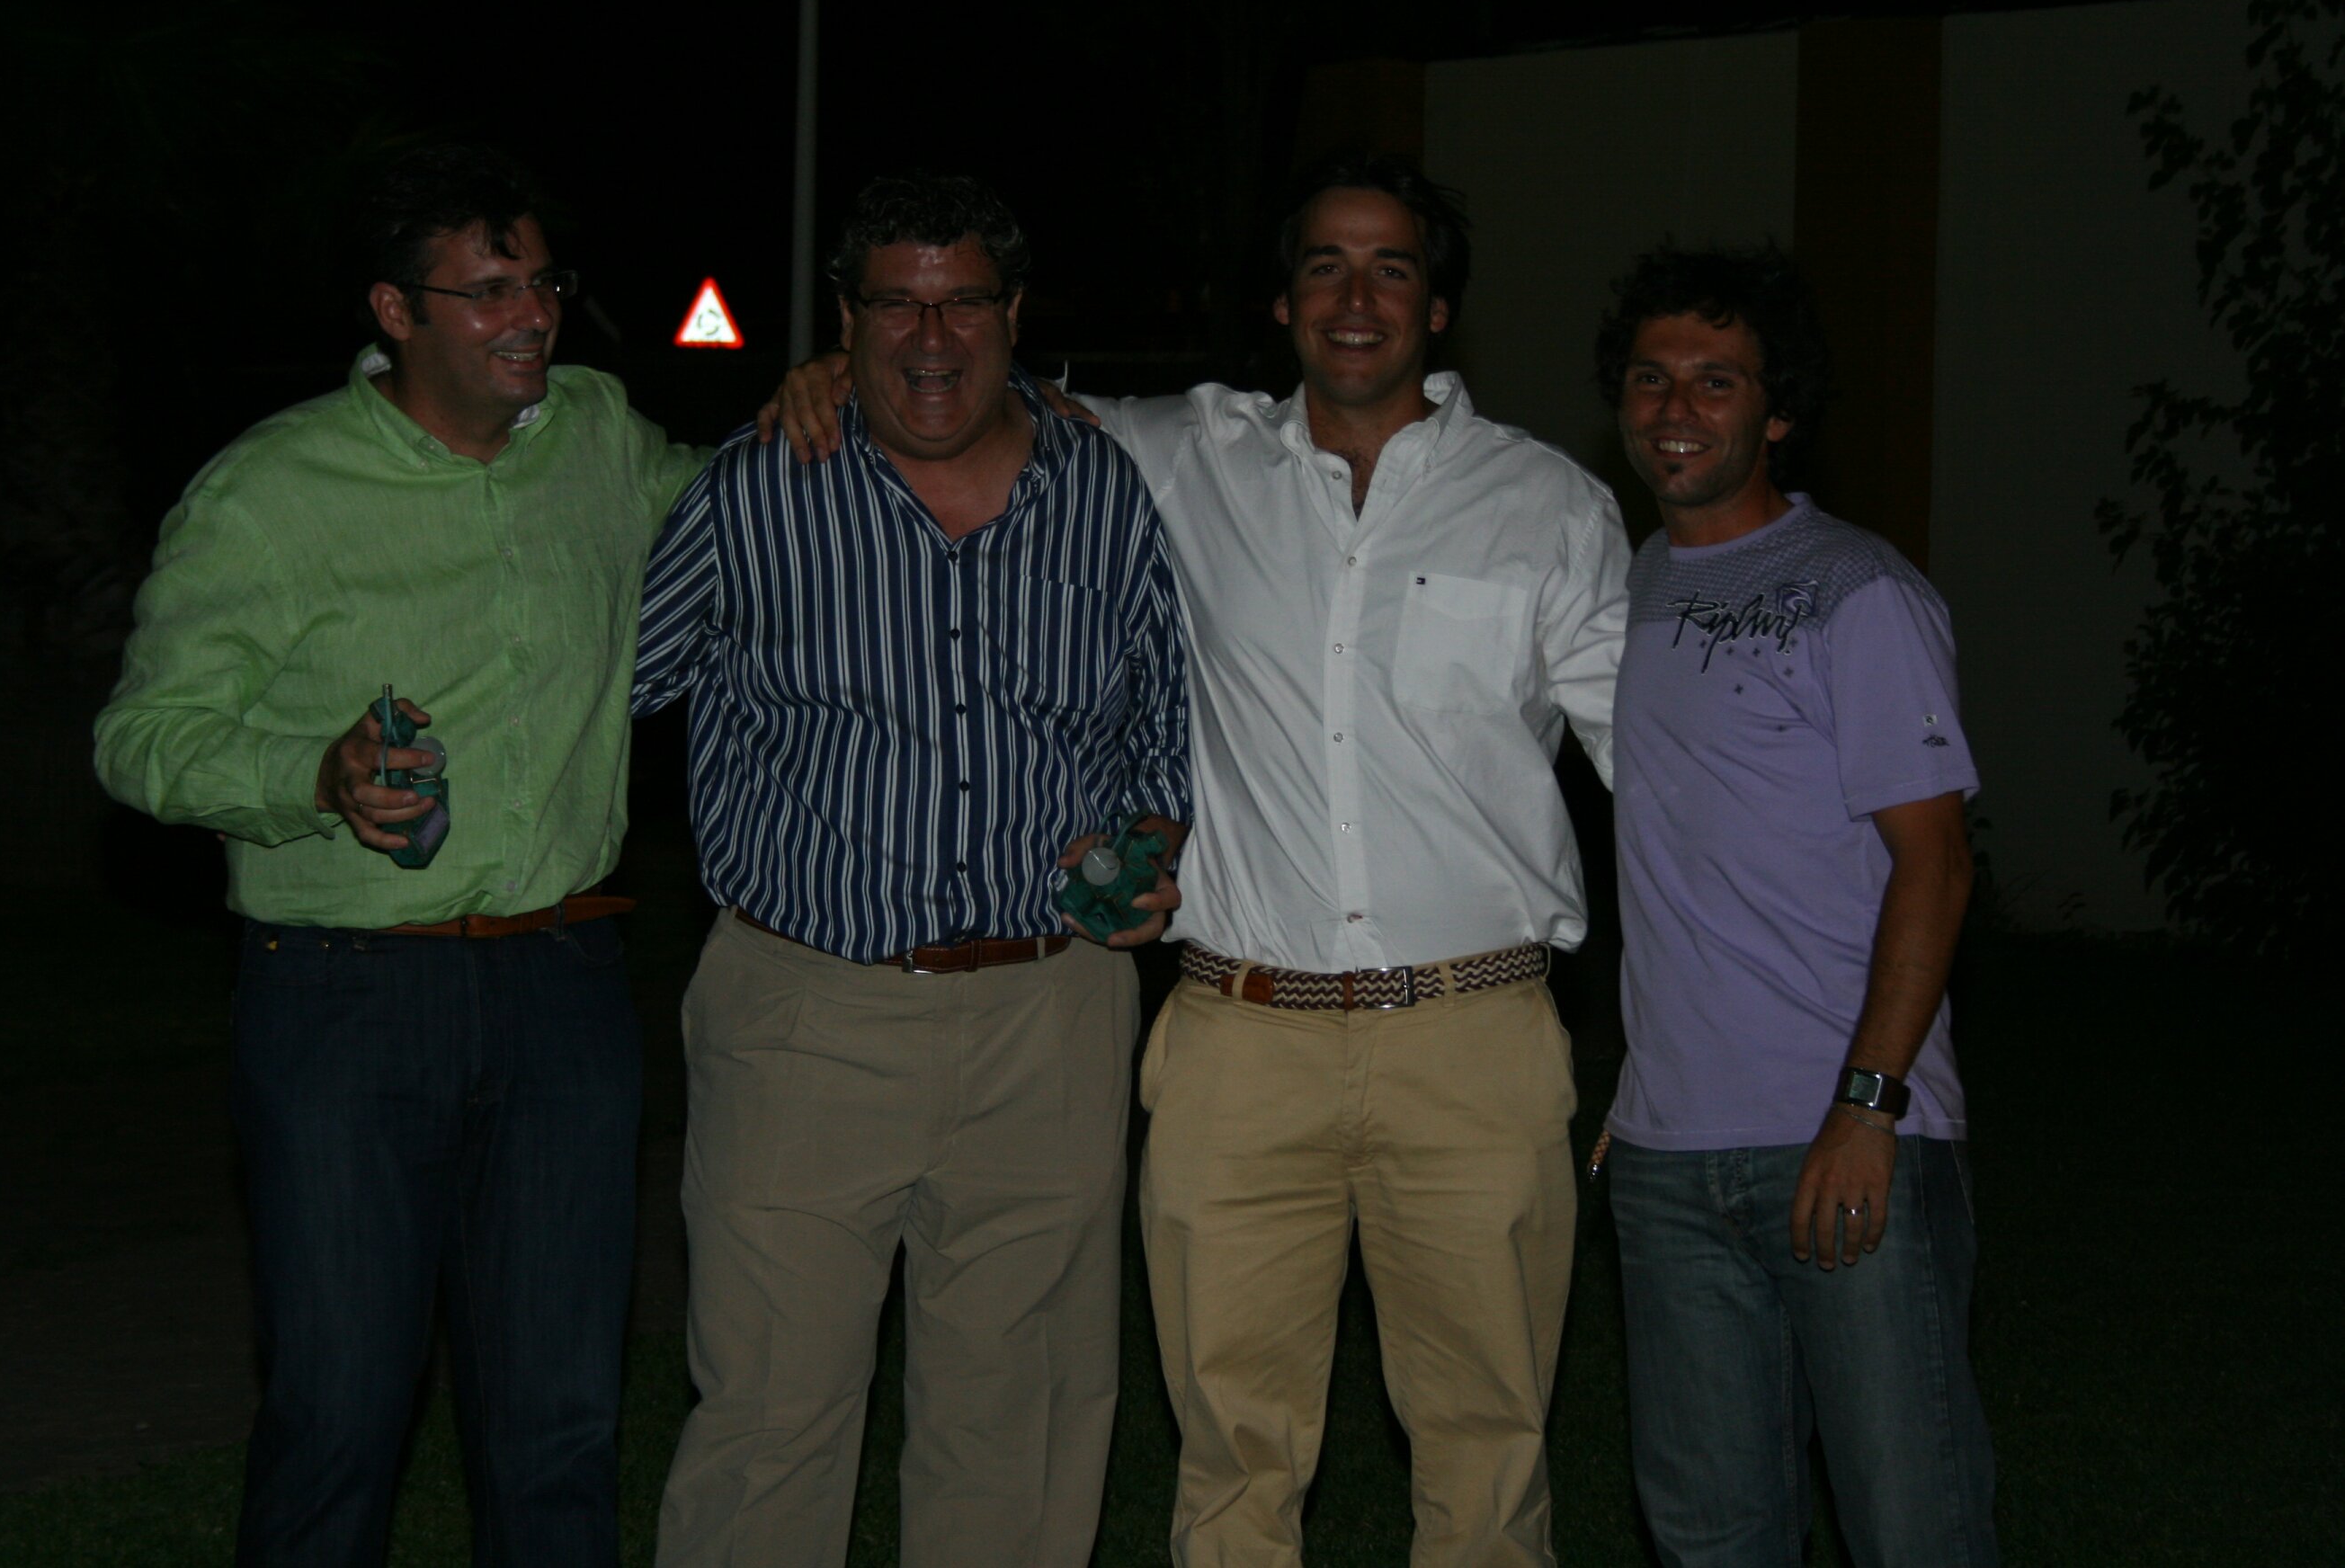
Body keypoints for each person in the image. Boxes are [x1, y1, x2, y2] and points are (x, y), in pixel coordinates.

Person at [765, 153, 1629, 1567]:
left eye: (1392, 268)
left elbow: (1655, 777)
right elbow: (965, 385)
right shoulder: (1185, 453)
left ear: (1439, 306)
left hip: (1474, 1039)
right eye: (1324, 267)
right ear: (1282, 304)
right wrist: (828, 370)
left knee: (1488, 1451)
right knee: (1231, 1460)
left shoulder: (1551, 506)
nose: (1356, 298)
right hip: (1240, 1040)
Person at [93, 142, 710, 1567]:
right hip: (344, 1003)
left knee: (560, 1421)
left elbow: (744, 521)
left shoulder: (599, 436)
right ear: (395, 311)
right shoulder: (271, 491)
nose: (532, 316)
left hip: (563, 987)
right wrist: (309, 776)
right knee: (338, 1411)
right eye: (488, 290)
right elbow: (140, 738)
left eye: (543, 283)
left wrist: (823, 407)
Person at [631, 173, 1193, 1568]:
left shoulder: (1102, 491)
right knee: (770, 1421)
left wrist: (1147, 841)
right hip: (805, 1016)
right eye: (896, 304)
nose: (930, 338)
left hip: (1051, 1015)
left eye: (962, 304)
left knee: (1023, 1426)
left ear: (1014, 315)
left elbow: (1160, 725)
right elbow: (606, 688)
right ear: (846, 322)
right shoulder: (755, 492)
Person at [1595, 246, 1997, 1566]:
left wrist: (1868, 1108)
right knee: (1711, 1539)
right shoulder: (1632, 590)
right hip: (1668, 1162)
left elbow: (1937, 863)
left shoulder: (1856, 589)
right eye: (1651, 378)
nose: (1675, 409)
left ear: (1777, 412)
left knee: (1912, 1528)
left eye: (1716, 382)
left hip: (1847, 1137)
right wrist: (1639, 1096)